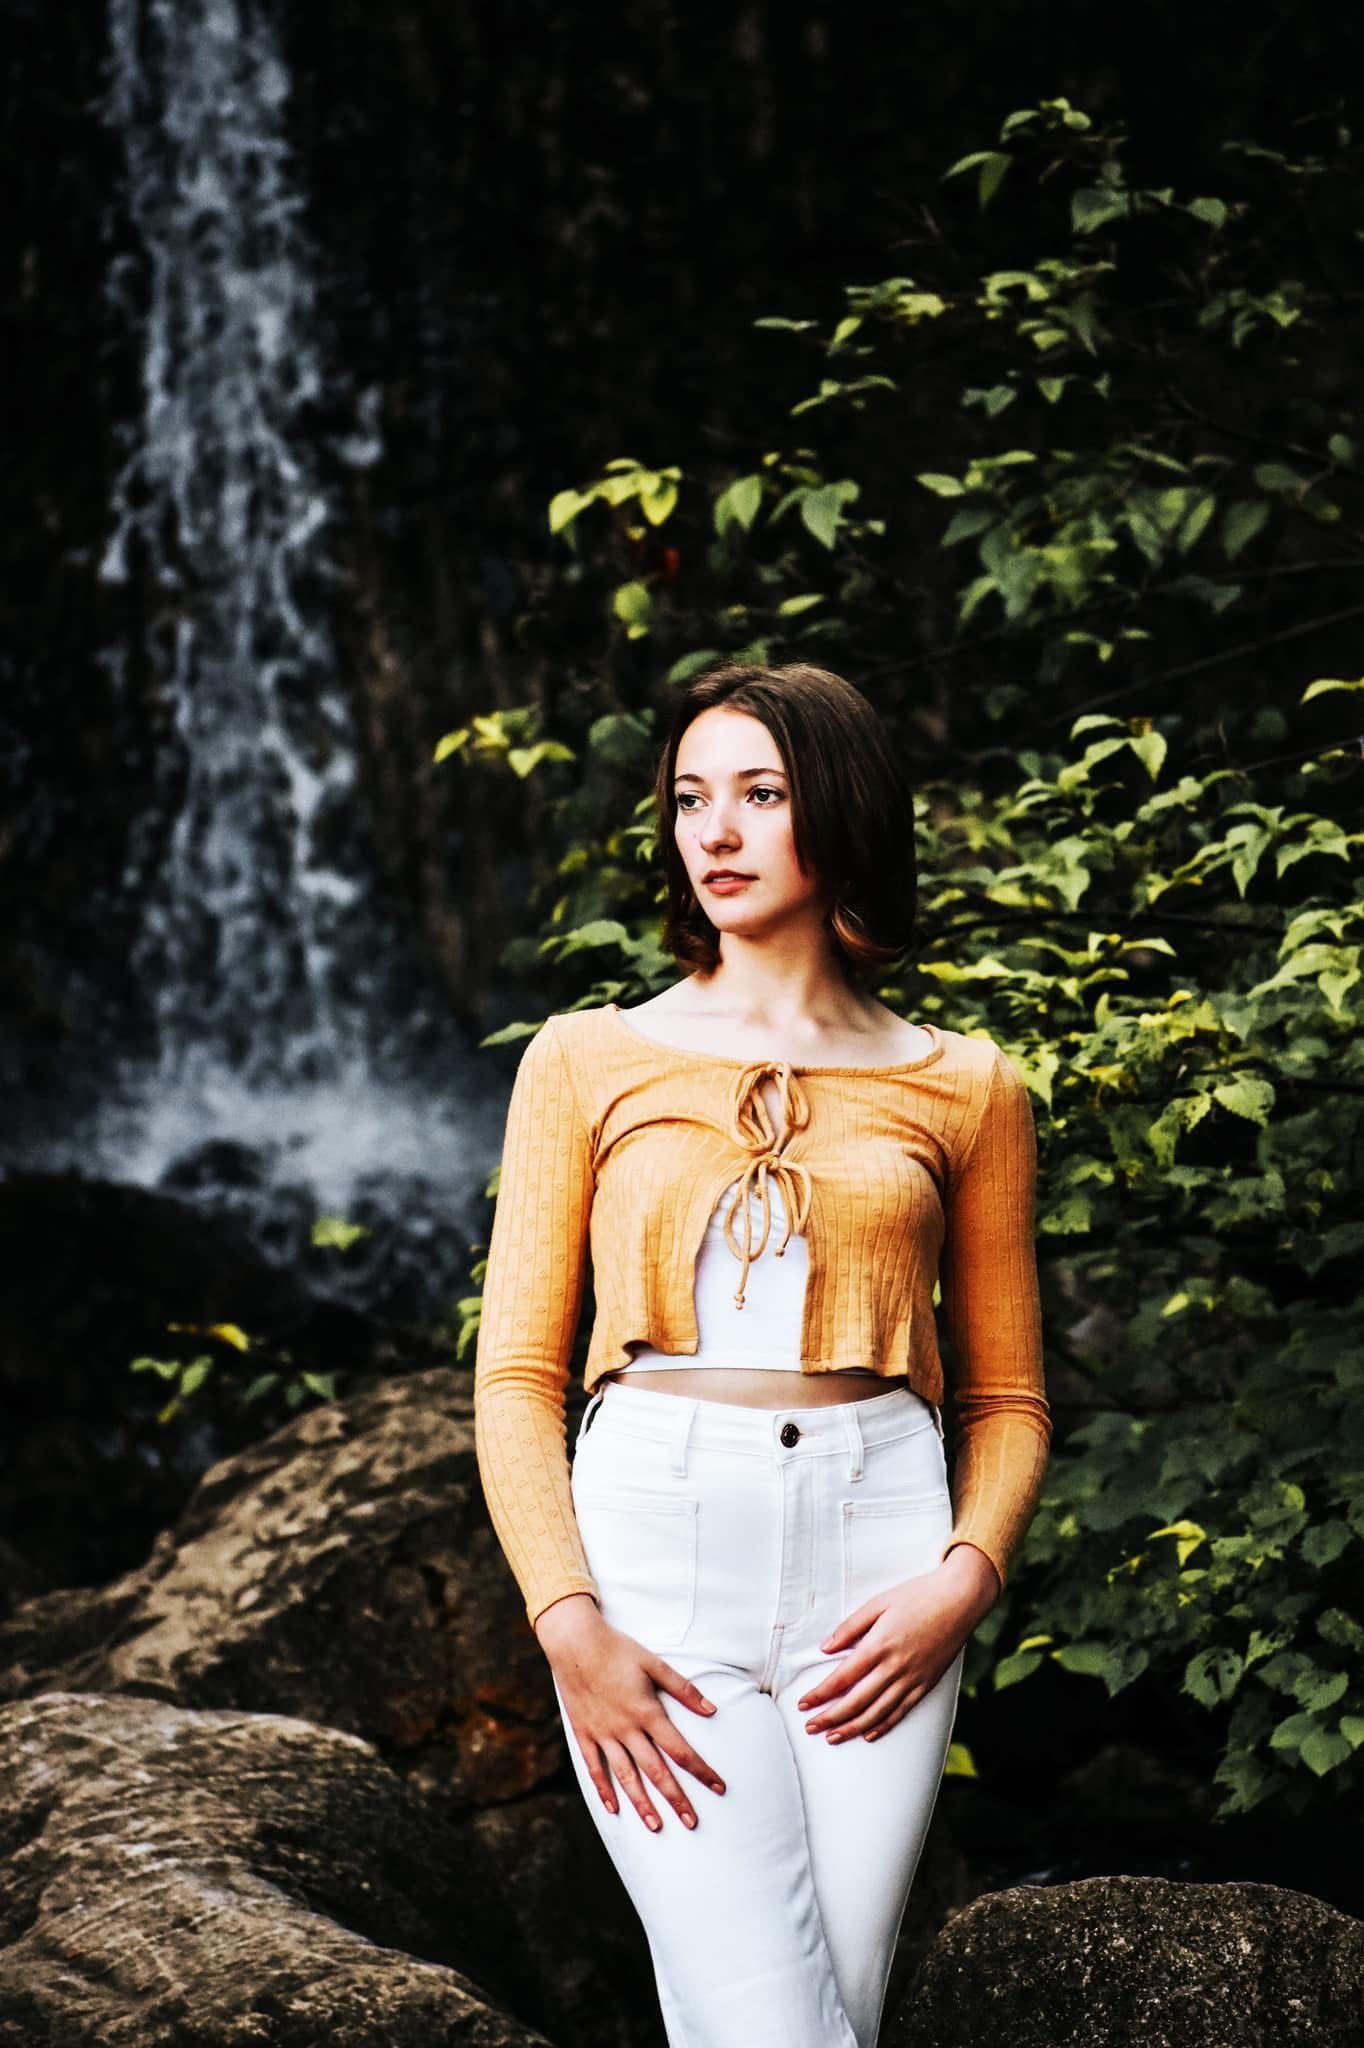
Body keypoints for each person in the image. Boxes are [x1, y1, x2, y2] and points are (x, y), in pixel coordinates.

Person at [474, 660, 1051, 2048]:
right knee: (770, 2027)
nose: (714, 832)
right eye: (689, 799)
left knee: (827, 2012)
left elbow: (1012, 1398)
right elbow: (514, 1381)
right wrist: (569, 1627)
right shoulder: (583, 1059)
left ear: (839, 809)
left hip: (884, 1564)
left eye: (760, 794)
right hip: (658, 1559)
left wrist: (961, 1585)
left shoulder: (966, 1083)